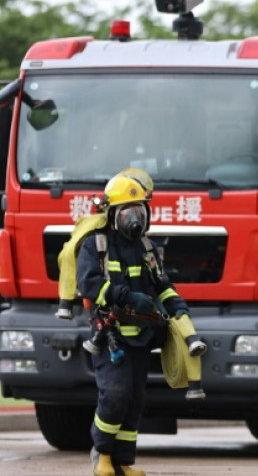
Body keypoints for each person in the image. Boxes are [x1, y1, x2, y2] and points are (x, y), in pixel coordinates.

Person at [78, 171, 195, 476]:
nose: (135, 218)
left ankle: (123, 461)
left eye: (140, 210)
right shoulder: (96, 246)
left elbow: (162, 284)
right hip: (111, 336)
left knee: (135, 399)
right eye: (128, 211)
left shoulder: (147, 248)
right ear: (113, 214)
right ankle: (101, 453)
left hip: (141, 338)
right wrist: (126, 297)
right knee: (114, 395)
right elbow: (89, 285)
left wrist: (179, 310)